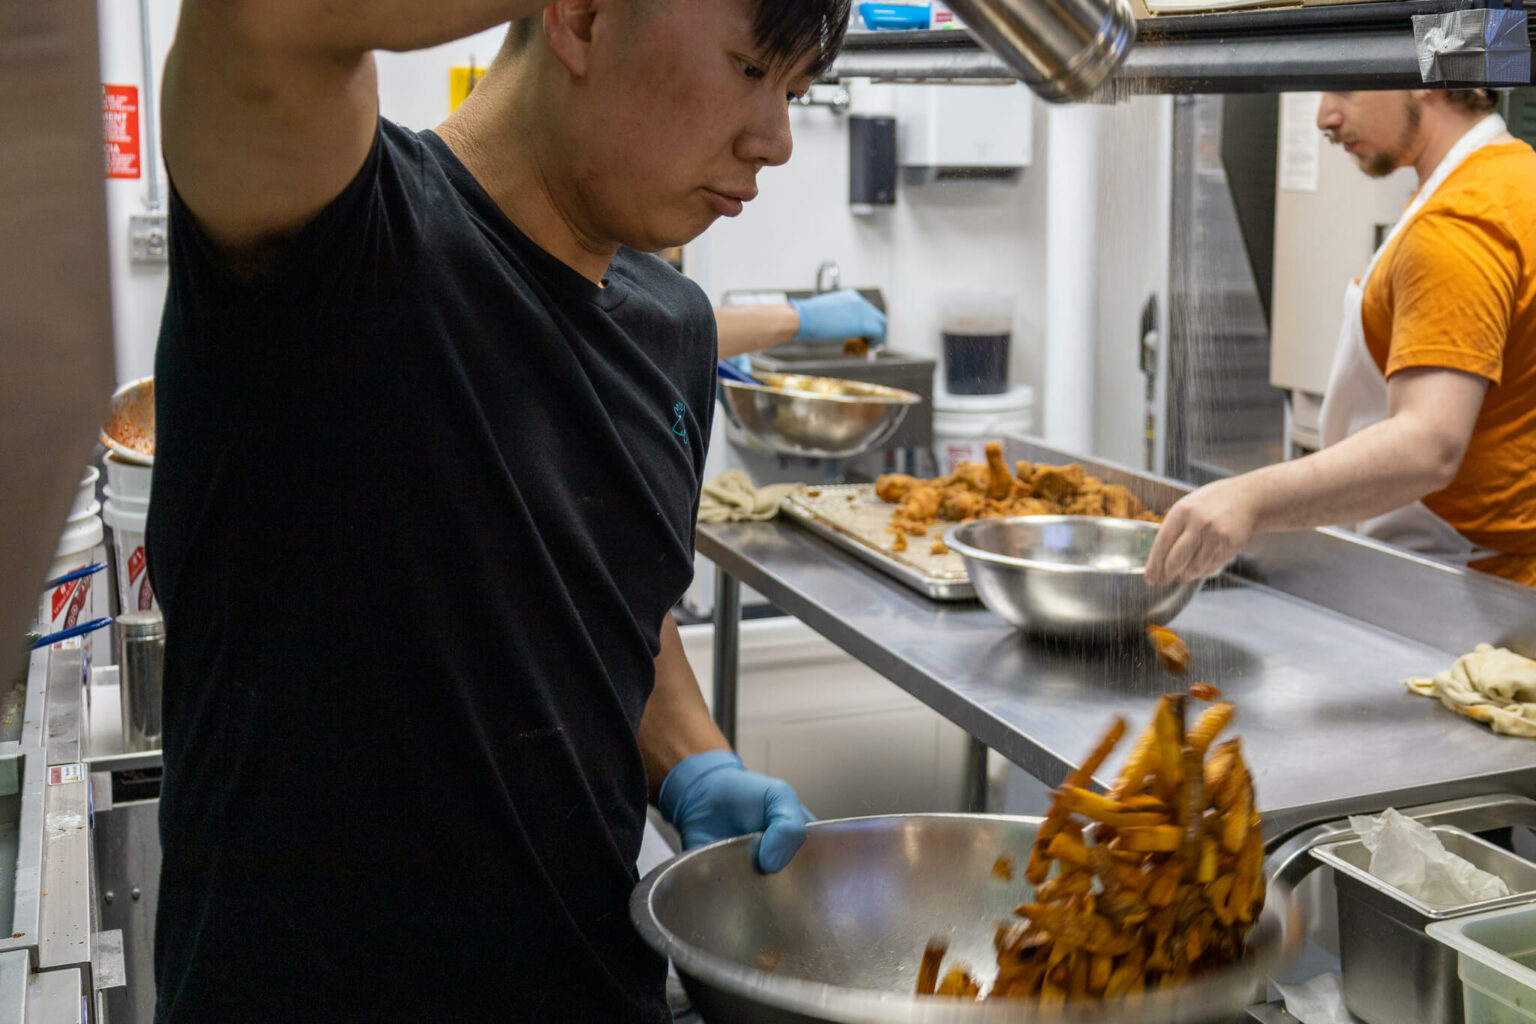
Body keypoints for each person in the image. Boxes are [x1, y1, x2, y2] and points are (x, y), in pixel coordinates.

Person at [148, 0, 848, 1020]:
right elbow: (260, 20)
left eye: (796, 90)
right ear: (581, 16)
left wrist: (695, 757)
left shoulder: (674, 330)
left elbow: (607, 593)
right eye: (748, 70)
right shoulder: (339, 234)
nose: (774, 139)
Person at [1147, 89, 1536, 589]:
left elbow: (1427, 445)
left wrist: (1249, 499)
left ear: (1425, 73)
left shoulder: (1455, 225)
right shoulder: (1516, 174)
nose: (1324, 117)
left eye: (1345, 88)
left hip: (1453, 596)